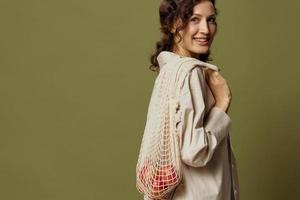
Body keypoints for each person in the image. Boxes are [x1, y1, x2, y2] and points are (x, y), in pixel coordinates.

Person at [146, 0, 240, 199]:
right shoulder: (190, 73)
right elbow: (193, 151)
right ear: (173, 24)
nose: (205, 29)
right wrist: (223, 102)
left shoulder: (170, 70)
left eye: (211, 19)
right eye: (194, 19)